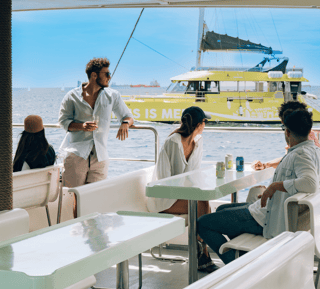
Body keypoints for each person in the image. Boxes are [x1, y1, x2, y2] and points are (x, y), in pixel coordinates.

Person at [197, 107, 320, 265]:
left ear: (287, 132)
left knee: (203, 223)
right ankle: (245, 257)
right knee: (222, 210)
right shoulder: (317, 152)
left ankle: (241, 267)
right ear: (309, 130)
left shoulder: (300, 155)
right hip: (275, 211)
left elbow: (310, 184)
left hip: (267, 219)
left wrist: (275, 187)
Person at [147, 106, 218, 273]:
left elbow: (194, 174)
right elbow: (165, 180)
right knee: (202, 205)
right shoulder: (173, 142)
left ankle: (201, 253)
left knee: (203, 203)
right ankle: (202, 254)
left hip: (183, 196)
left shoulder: (198, 142)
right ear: (199, 124)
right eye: (204, 122)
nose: (205, 126)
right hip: (163, 198)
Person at [58, 57, 134, 188]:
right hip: (77, 155)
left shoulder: (113, 95)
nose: (109, 77)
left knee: (94, 198)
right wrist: (82, 126)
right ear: (94, 75)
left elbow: (128, 116)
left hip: (100, 157)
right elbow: (63, 121)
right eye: (107, 74)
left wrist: (125, 123)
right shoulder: (71, 96)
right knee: (70, 198)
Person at [252, 101, 320, 171]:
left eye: (284, 125)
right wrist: (266, 165)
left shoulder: (301, 137)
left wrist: (266, 165)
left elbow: (291, 161)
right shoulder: (306, 134)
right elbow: (288, 158)